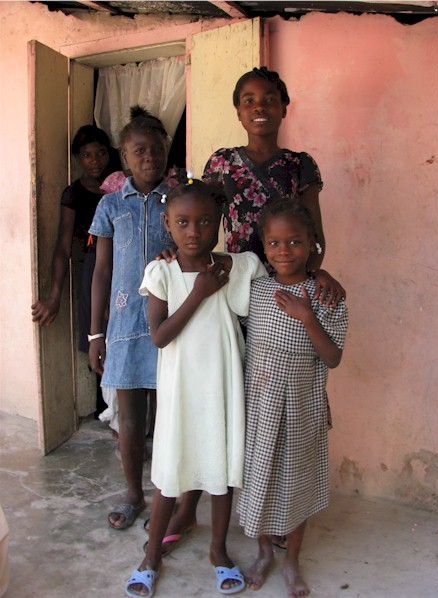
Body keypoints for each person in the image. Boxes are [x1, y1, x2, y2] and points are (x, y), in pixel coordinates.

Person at [153, 66, 346, 553]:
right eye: (248, 99)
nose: (259, 106)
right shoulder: (222, 162)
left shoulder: (300, 165)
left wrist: (316, 272)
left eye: (269, 98)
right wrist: (174, 253)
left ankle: (275, 506)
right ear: (238, 110)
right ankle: (188, 499)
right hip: (228, 284)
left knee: (267, 408)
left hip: (278, 295)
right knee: (210, 396)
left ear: (284, 106)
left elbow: (315, 235)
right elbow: (196, 215)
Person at [126, 179, 267, 597]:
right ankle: (151, 556)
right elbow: (159, 336)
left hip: (222, 390)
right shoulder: (163, 272)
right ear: (168, 225)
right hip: (181, 395)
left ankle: (219, 552)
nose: (194, 232)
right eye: (183, 222)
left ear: (219, 222)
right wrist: (200, 293)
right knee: (172, 473)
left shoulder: (233, 267)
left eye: (205, 222)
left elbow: (262, 277)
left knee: (221, 472)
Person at [239, 197, 348, 597]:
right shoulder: (256, 289)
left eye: (295, 242)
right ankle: (264, 551)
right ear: (263, 246)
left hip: (302, 407)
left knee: (296, 482)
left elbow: (333, 357)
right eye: (274, 243)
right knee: (258, 481)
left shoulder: (325, 296)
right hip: (259, 407)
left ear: (312, 245)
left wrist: (307, 316)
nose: (284, 251)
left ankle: (291, 560)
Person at [88, 108, 172, 530]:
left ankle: (168, 494)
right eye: (140, 150)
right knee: (131, 417)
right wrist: (95, 334)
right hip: (123, 326)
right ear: (124, 156)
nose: (149, 157)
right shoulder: (109, 205)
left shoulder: (177, 200)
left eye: (157, 149)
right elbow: (101, 271)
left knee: (170, 413)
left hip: (170, 324)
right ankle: (134, 494)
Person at [31, 125, 115, 416]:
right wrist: (54, 295)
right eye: (87, 155)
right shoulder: (74, 194)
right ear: (78, 158)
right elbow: (62, 247)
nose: (96, 160)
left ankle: (129, 416)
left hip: (125, 270)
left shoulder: (120, 186)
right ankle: (107, 412)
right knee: (98, 340)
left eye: (101, 152)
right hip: (94, 272)